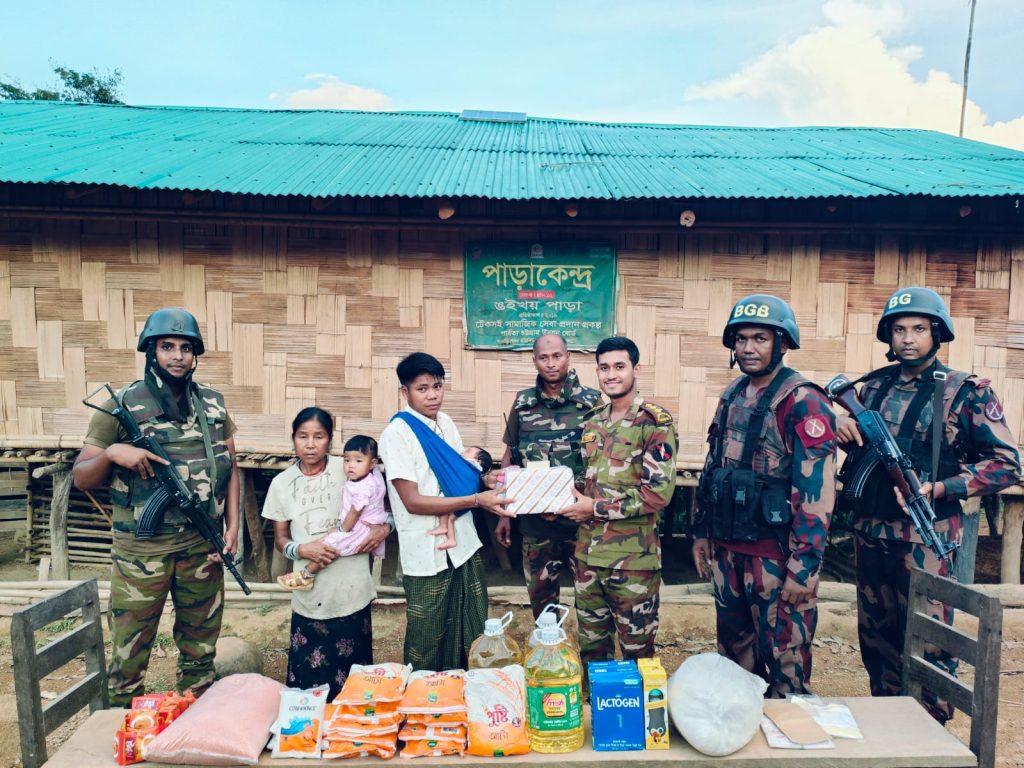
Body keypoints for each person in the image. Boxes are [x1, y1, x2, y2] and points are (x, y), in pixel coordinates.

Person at [835, 287, 1021, 721]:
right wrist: (839, 422)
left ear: (937, 334)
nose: (908, 338)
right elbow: (845, 439)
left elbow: (1006, 465)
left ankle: (929, 729)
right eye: (899, 329)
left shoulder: (965, 392)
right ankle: (888, 722)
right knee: (876, 637)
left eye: (919, 329)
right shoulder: (871, 387)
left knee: (928, 638)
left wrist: (940, 488)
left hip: (926, 536)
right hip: (871, 532)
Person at [72, 308, 239, 706]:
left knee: (201, 649)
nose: (177, 356)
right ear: (151, 350)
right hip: (142, 552)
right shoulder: (122, 405)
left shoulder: (213, 405)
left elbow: (232, 468)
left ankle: (195, 722)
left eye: (186, 348)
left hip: (203, 544)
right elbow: (82, 476)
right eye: (167, 347)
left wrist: (232, 527)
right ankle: (123, 726)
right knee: (130, 652)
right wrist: (113, 453)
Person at [691, 295, 837, 698]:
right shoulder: (733, 394)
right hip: (727, 551)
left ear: (783, 343)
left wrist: (803, 566)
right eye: (740, 339)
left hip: (776, 557)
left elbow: (816, 492)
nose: (748, 348)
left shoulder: (803, 401)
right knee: (734, 663)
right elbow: (713, 467)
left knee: (786, 663)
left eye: (760, 338)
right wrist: (701, 531)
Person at [378, 353, 514, 670]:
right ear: (405, 393)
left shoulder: (446, 423)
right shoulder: (396, 435)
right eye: (422, 388)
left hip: (462, 544)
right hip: (426, 548)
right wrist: (477, 500)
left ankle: (467, 693)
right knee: (427, 635)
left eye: (437, 386)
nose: (432, 395)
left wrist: (482, 479)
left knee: (473, 624)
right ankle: (425, 701)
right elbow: (412, 501)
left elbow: (459, 476)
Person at [557, 336, 676, 662]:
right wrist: (555, 493)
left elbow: (657, 494)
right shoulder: (593, 421)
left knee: (638, 655)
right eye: (604, 367)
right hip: (588, 559)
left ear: (636, 369)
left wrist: (592, 507)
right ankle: (598, 711)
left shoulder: (653, 423)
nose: (611, 375)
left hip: (633, 563)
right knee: (593, 653)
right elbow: (589, 478)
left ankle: (637, 713)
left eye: (619, 367)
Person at [262, 409, 390, 698]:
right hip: (311, 594)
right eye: (302, 436)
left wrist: (384, 530)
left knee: (354, 686)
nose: (310, 444)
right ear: (293, 439)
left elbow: (385, 509)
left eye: (318, 437)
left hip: (350, 588)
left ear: (330, 441)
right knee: (308, 686)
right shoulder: (281, 484)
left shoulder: (351, 466)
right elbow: (280, 539)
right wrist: (302, 549)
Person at [496, 332, 602, 619]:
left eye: (557, 356)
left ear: (567, 356)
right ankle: (548, 656)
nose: (551, 364)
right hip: (536, 524)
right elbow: (510, 457)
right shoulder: (523, 403)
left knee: (591, 605)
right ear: (534, 361)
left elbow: (602, 461)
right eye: (543, 358)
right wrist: (505, 513)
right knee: (542, 606)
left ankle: (590, 660)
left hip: (579, 521)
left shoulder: (591, 402)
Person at [277, 434, 388, 591]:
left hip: (360, 528)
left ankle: (306, 576)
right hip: (365, 525)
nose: (351, 465)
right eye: (347, 460)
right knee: (327, 542)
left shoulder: (365, 487)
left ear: (372, 463)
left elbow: (354, 513)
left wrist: (341, 530)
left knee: (330, 545)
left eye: (358, 461)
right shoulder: (372, 475)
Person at [427, 446, 494, 551]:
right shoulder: (477, 470)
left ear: (478, 460)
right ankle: (451, 539)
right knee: (452, 518)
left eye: (467, 451)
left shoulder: (471, 464)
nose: (462, 452)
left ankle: (443, 526)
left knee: (442, 504)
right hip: (468, 499)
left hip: (463, 494)